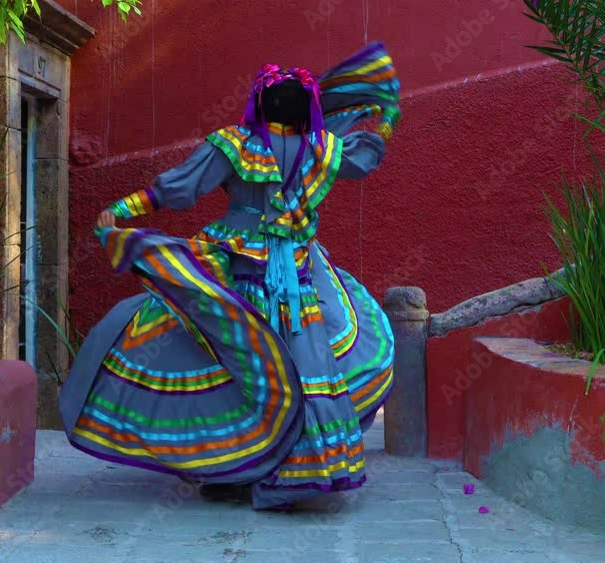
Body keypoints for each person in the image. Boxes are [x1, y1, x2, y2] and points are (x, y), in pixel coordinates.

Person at [60, 42, 400, 511]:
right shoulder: (321, 148)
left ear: (258, 104)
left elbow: (179, 188)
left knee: (236, 368)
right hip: (298, 280)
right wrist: (386, 120)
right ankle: (302, 468)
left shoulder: (236, 144)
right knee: (309, 366)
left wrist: (121, 209)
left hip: (239, 272)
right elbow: (365, 158)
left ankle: (236, 466)